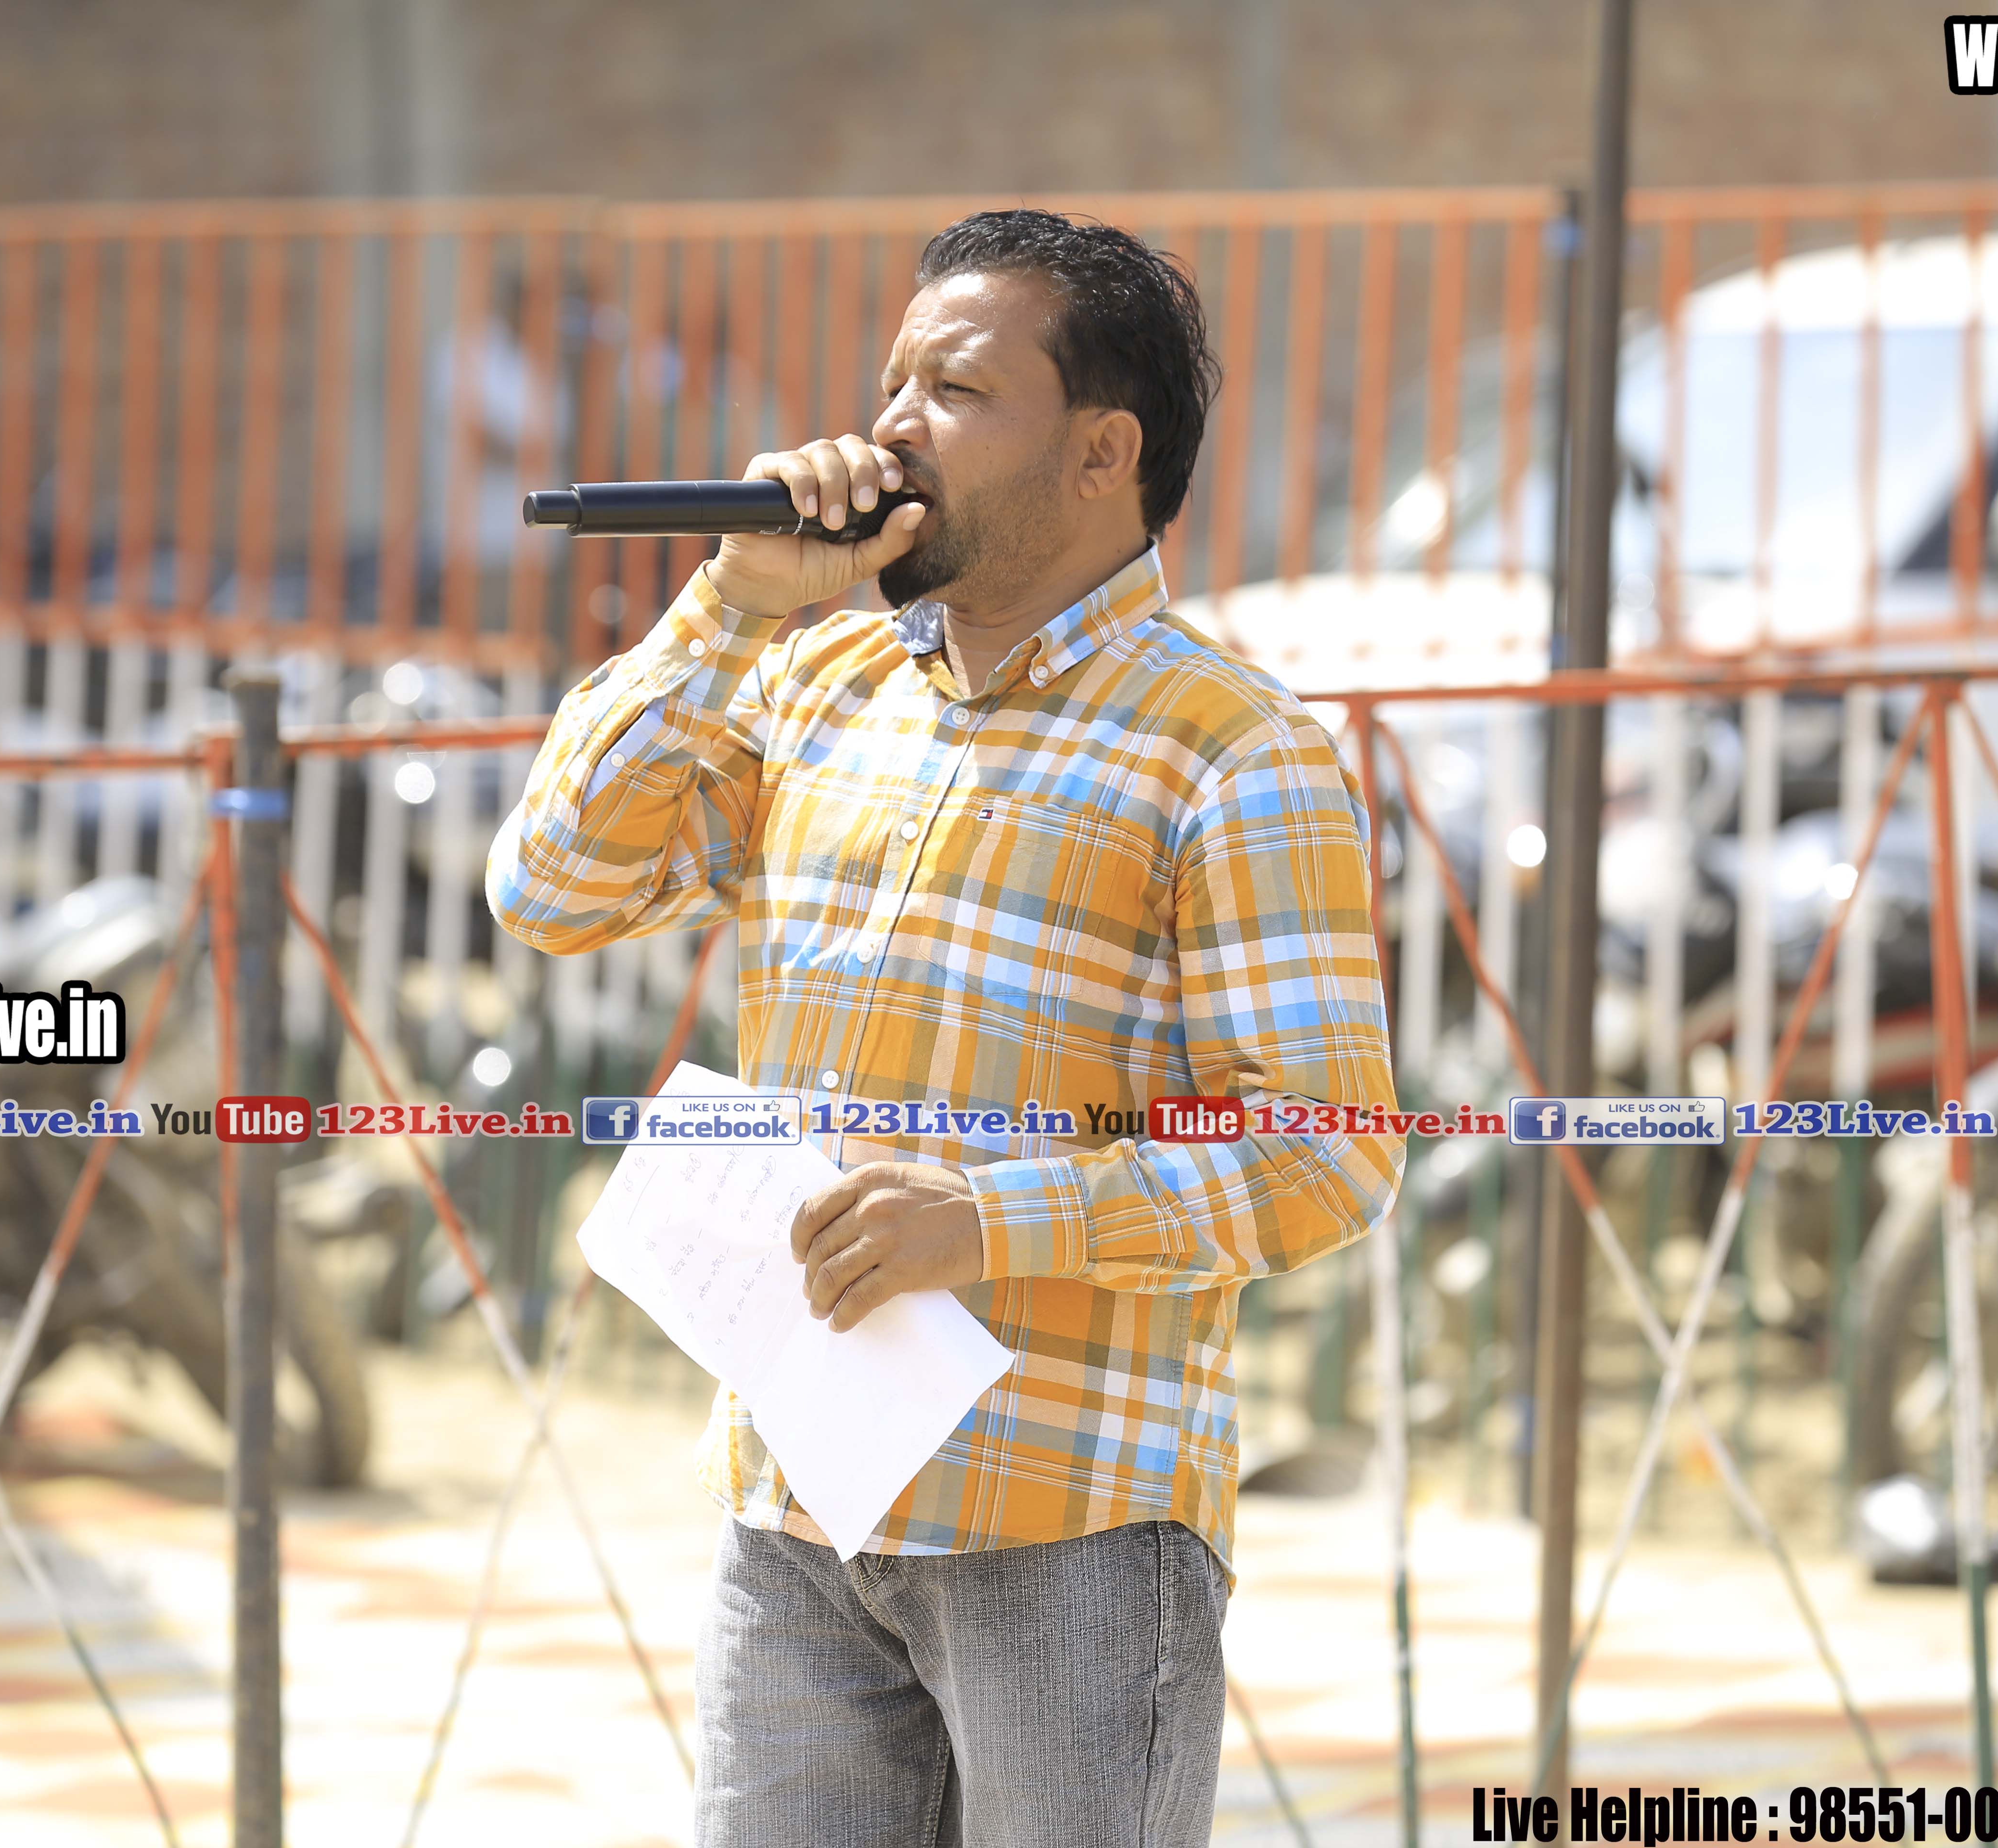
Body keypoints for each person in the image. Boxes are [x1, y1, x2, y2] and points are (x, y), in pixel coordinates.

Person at [488, 208, 1404, 1848]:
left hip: (1071, 1526)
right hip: (796, 1505)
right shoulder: (813, 685)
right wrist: (729, 606)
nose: (890, 428)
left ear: (1101, 453)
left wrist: (986, 1221)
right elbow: (550, 886)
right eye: (894, 382)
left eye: (958, 391)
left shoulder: (1229, 750)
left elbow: (1324, 1151)